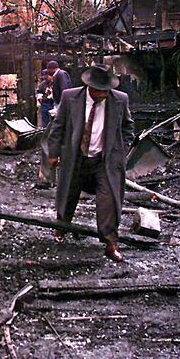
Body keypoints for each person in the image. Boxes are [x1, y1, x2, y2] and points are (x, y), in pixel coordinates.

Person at [42, 63, 134, 262]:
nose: (104, 95)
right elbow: (57, 127)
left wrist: (121, 152)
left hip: (104, 160)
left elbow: (128, 128)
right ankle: (61, 228)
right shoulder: (70, 97)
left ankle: (110, 243)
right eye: (100, 91)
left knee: (109, 199)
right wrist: (53, 153)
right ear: (90, 87)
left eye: (107, 90)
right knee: (67, 194)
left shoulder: (119, 100)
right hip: (76, 157)